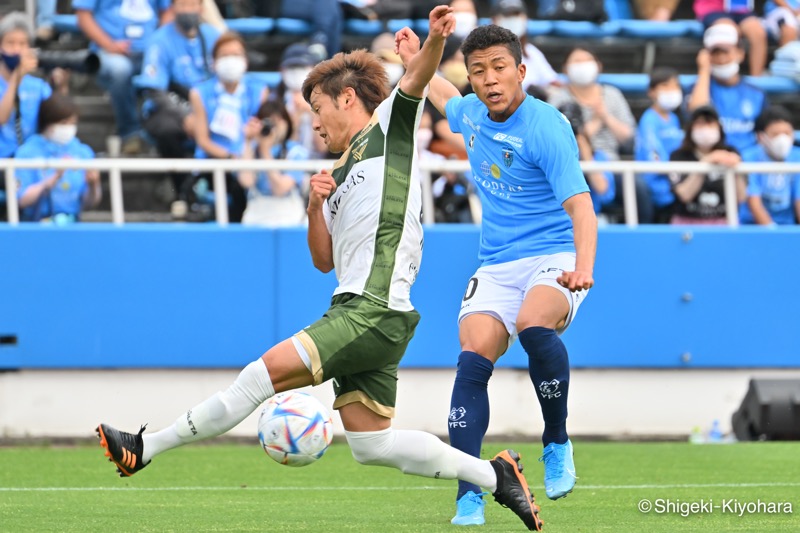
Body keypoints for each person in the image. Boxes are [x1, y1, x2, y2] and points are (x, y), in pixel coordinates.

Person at [95, 7, 543, 532]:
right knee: (372, 445)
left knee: (255, 380)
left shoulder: (386, 130)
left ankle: (146, 447)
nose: (313, 122)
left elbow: (417, 79)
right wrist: (314, 208)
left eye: (317, 108)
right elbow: (322, 260)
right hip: (369, 311)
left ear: (347, 99)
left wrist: (435, 40)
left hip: (370, 310)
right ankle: (496, 477)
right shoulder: (335, 171)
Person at [395, 22, 596, 526]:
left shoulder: (546, 126)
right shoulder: (472, 115)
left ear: (521, 71)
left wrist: (583, 269)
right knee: (471, 360)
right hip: (498, 264)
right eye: (478, 71)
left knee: (533, 325)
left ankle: (555, 440)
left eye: (499, 67)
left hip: (554, 255)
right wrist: (416, 57)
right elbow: (439, 91)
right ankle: (470, 493)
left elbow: (582, 209)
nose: (489, 79)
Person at [549, 45, 652, 223]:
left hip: (611, 163)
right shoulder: (560, 98)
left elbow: (629, 137)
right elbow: (561, 138)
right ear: (565, 68)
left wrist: (605, 116)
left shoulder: (611, 94)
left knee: (639, 189)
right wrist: (596, 122)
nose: (582, 66)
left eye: (587, 61)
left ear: (599, 66)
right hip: (574, 163)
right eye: (577, 61)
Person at [137, 0, 220, 215]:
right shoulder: (159, 40)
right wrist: (186, 117)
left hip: (209, 105)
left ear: (201, 9)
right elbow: (155, 90)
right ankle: (183, 191)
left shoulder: (213, 36)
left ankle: (216, 192)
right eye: (181, 5)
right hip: (168, 106)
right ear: (173, 8)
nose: (186, 11)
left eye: (191, 5)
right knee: (168, 131)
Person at [189, 31, 268, 222]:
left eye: (236, 55)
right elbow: (202, 140)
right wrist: (230, 157)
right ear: (214, 62)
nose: (231, 60)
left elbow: (261, 133)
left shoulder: (259, 90)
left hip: (249, 160)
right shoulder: (200, 92)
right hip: (215, 162)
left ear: (245, 60)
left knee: (246, 181)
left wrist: (244, 155)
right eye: (225, 55)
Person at [74, 0, 171, 154]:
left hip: (149, 51)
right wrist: (109, 45)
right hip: (107, 52)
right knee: (120, 69)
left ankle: (168, 136)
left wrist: (157, 44)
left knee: (167, 65)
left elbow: (167, 12)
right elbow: (83, 16)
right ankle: (130, 133)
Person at [15, 94, 101, 222]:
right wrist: (53, 178)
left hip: (73, 224)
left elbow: (89, 203)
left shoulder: (83, 152)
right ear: (48, 123)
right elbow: (21, 200)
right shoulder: (27, 152)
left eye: (72, 123)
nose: (68, 128)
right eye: (63, 123)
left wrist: (93, 184)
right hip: (36, 225)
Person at [688, 22, 768, 154]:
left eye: (726, 52)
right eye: (715, 53)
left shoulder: (756, 93)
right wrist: (703, 70)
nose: (721, 58)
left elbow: (763, 134)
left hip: (746, 164)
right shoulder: (697, 88)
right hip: (709, 162)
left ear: (740, 54)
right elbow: (696, 111)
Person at [668, 105, 743, 225]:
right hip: (687, 222)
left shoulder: (730, 153)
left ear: (719, 128)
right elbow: (684, 195)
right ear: (690, 128)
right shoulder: (678, 156)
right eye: (700, 124)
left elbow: (741, 197)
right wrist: (707, 161)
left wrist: (736, 168)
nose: (705, 129)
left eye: (710, 124)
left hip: (724, 222)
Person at [239, 100, 310, 226]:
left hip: (289, 218)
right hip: (257, 217)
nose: (274, 128)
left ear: (287, 123)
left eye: (278, 121)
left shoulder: (296, 152)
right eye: (269, 122)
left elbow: (280, 189)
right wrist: (248, 141)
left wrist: (266, 152)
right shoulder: (251, 149)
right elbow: (246, 181)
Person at [635, 67, 685, 223]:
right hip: (656, 190)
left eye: (675, 86)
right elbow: (654, 158)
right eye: (665, 86)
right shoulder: (649, 120)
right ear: (651, 92)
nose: (672, 91)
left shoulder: (674, 119)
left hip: (674, 185)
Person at [0, 12, 52, 159]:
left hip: (31, 162)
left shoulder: (39, 86)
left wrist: (62, 87)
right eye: (10, 43)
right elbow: (1, 118)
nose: (17, 50)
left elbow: (54, 120)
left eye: (23, 44)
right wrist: (16, 77)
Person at [740, 106, 800, 225]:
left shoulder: (797, 157)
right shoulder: (748, 157)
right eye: (775, 134)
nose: (782, 139)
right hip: (752, 226)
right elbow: (753, 200)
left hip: (788, 227)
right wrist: (772, 233)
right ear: (761, 136)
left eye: (787, 133)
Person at [560, 102, 615, 219]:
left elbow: (603, 191)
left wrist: (586, 154)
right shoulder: (549, 152)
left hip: (591, 215)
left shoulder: (597, 156)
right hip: (558, 216)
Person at [491, 0, 559, 92]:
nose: (513, 20)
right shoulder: (485, 52)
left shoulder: (531, 52)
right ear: (495, 20)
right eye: (507, 16)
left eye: (516, 15)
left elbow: (553, 82)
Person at [693, 0, 767, 76]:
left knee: (757, 32)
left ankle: (756, 78)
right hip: (712, 8)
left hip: (740, 8)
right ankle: (720, 79)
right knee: (728, 30)